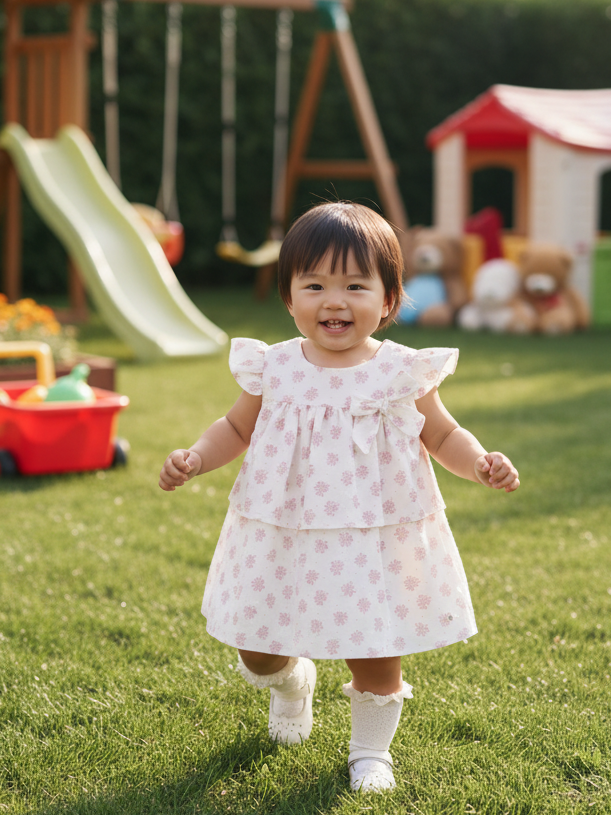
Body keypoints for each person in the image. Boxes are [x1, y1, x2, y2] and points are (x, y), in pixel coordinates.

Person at [159, 202, 519, 793]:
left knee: (375, 646)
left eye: (355, 285)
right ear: (289, 297)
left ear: (388, 299)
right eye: (315, 284)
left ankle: (371, 752)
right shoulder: (273, 368)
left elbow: (443, 434)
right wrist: (196, 457)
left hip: (372, 533)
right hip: (283, 527)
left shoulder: (401, 373)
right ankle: (290, 683)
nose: (335, 300)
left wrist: (479, 464)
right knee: (257, 647)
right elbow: (235, 429)